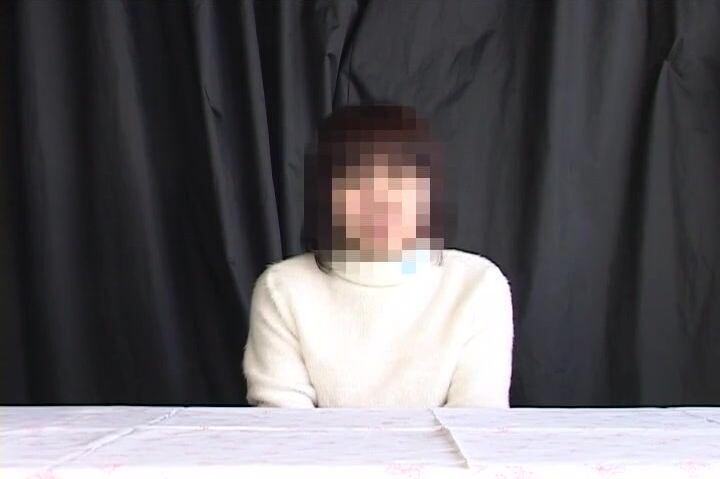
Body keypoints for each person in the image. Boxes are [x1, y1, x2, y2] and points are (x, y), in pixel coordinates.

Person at [242, 104, 513, 408]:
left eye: (400, 180)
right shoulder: (282, 289)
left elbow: (477, 419)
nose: (381, 201)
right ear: (327, 196)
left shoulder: (477, 285)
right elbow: (284, 424)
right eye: (358, 181)